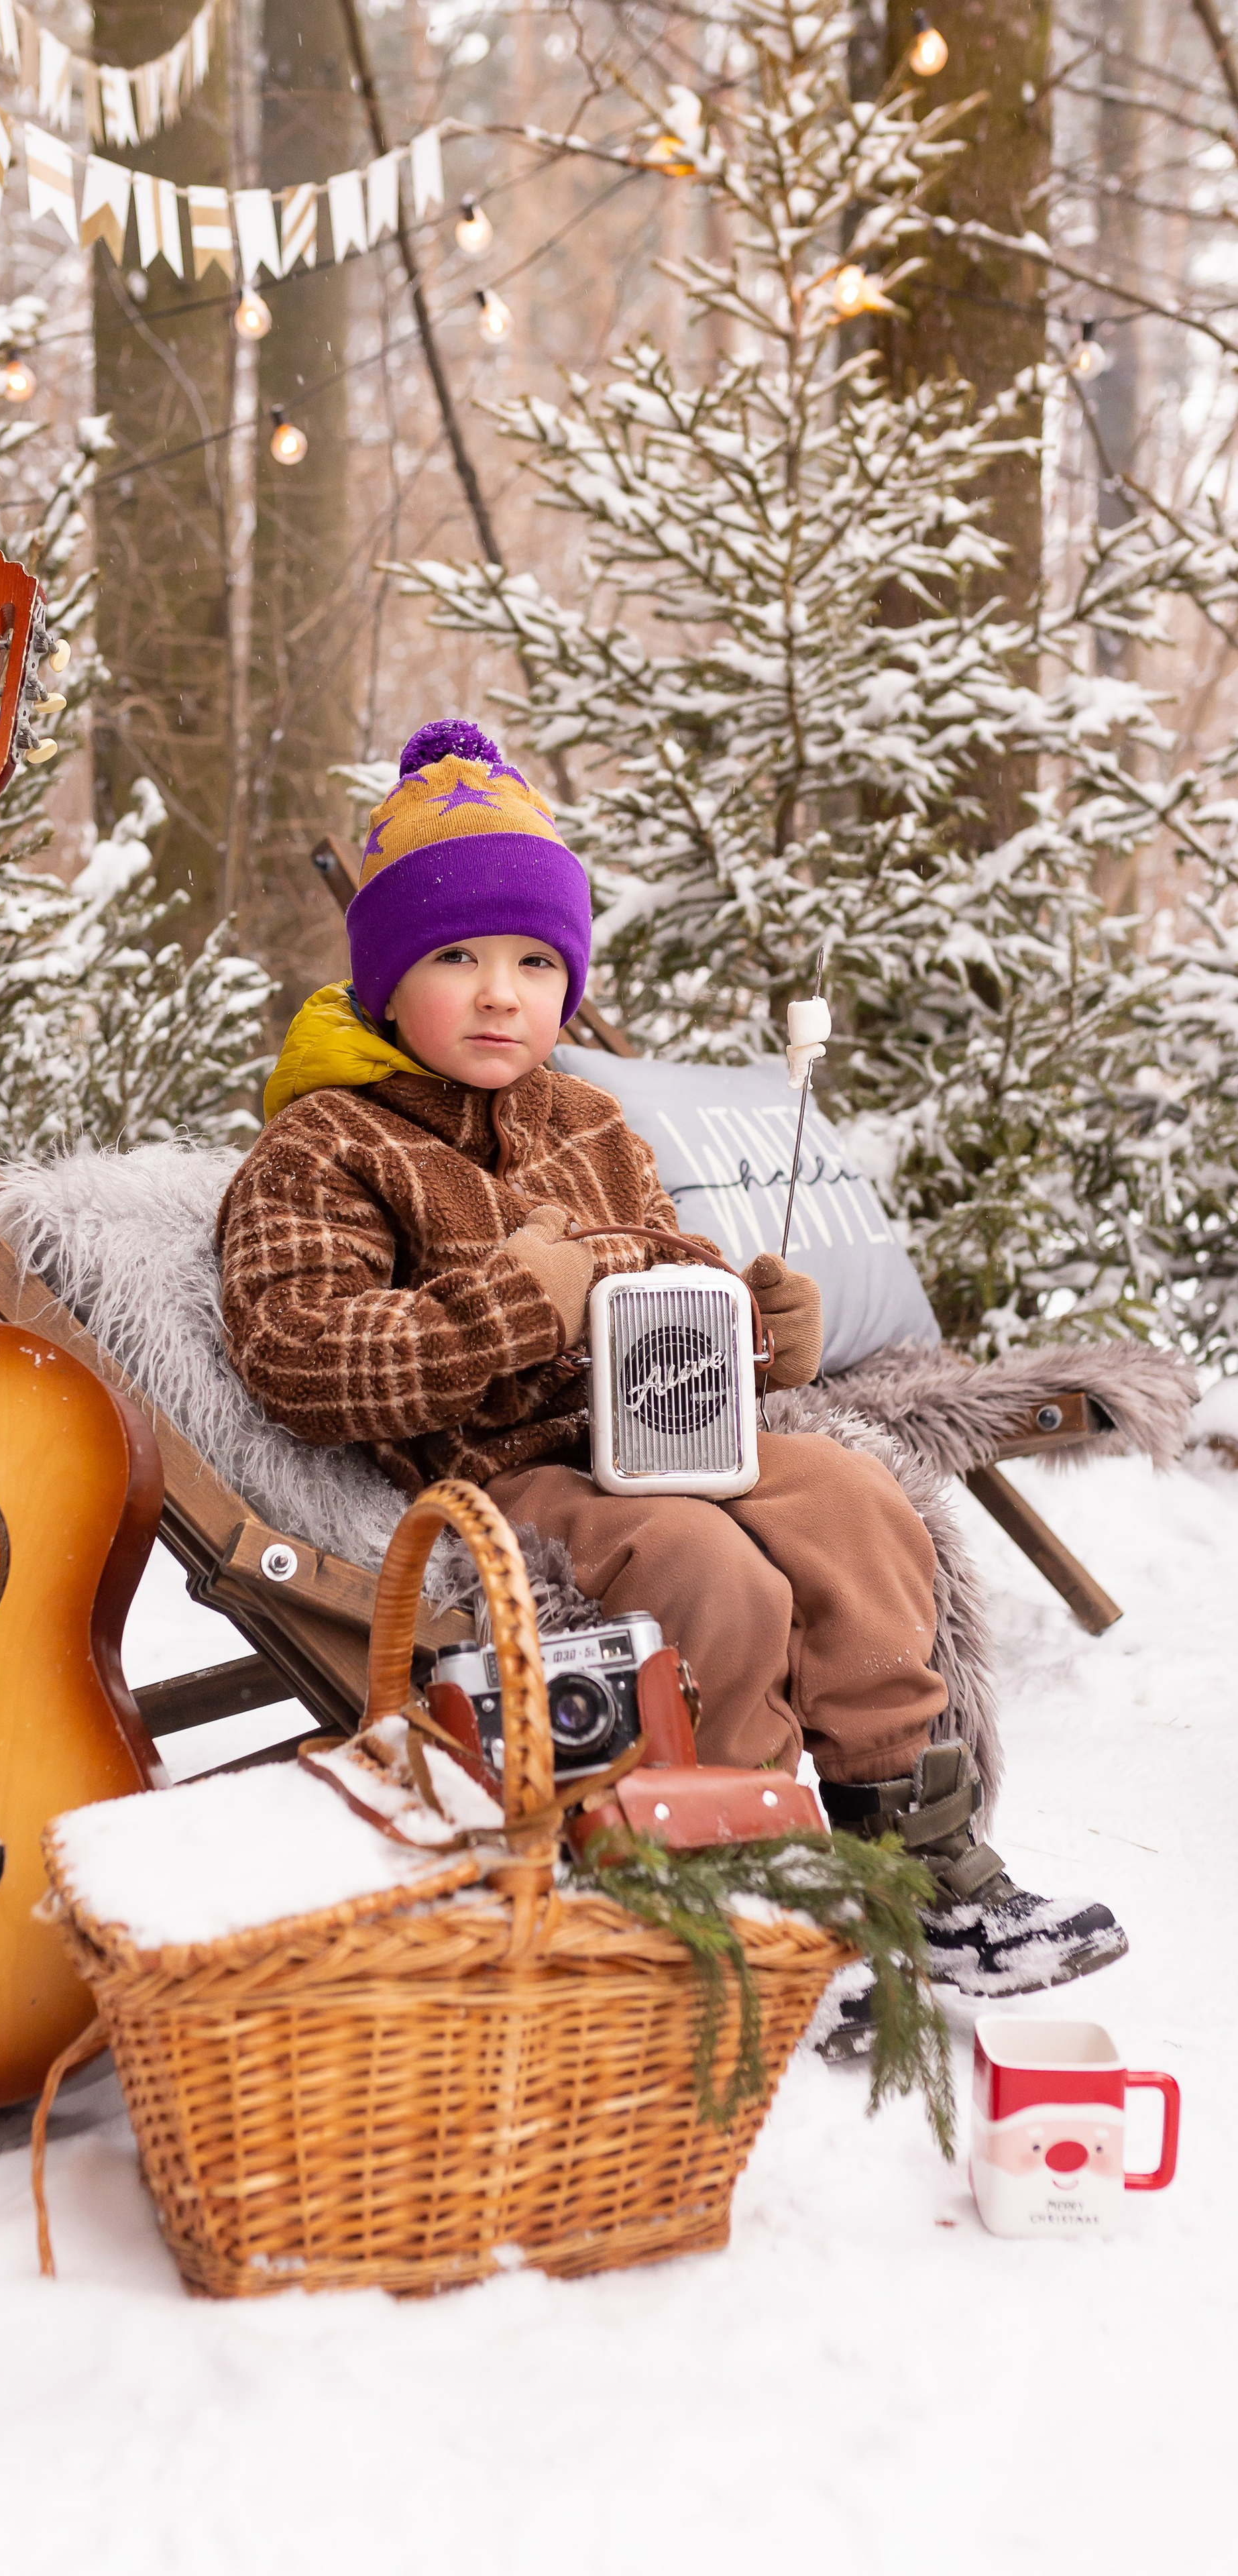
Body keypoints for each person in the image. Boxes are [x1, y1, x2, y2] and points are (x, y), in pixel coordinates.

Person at [217, 718, 1126, 2053]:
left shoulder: (587, 1119)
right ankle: (752, 1888)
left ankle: (917, 1852)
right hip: (496, 1473)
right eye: (455, 957)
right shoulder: (323, 1147)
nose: (499, 994)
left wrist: (760, 1332)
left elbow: (669, 1275)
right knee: (712, 1573)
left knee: (850, 1498)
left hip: (658, 1426)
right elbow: (300, 1353)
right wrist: (505, 1306)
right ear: (384, 980)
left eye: (534, 962)